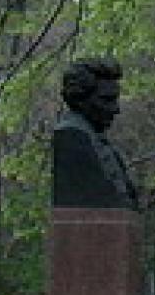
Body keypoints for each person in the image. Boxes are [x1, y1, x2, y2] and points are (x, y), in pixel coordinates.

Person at [52, 58, 138, 208]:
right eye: (107, 100)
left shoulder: (98, 141)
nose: (116, 109)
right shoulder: (73, 136)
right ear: (79, 100)